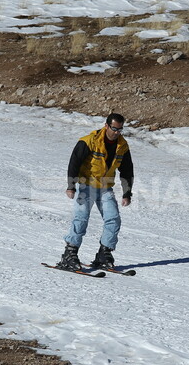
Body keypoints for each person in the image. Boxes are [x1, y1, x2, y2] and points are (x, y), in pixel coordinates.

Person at [57, 113, 133, 271]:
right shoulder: (89, 141)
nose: (117, 132)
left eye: (120, 129)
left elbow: (127, 170)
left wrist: (127, 193)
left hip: (105, 187)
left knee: (113, 219)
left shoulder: (122, 146)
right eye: (114, 129)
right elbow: (74, 162)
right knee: (81, 219)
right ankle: (69, 254)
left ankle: (104, 254)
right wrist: (71, 186)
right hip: (86, 185)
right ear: (106, 126)